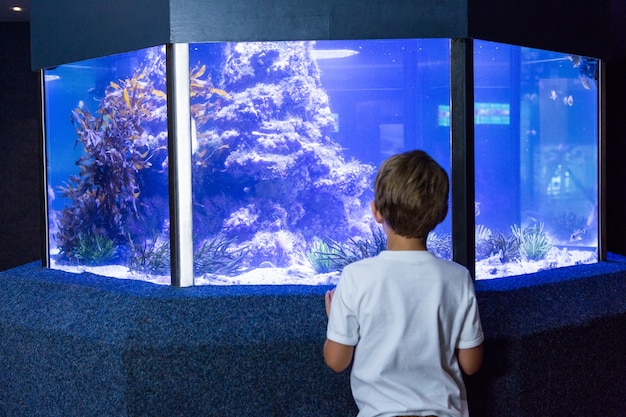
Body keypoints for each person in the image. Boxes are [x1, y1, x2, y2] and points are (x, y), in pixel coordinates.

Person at [324, 150, 484, 417]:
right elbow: (471, 364)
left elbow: (336, 361)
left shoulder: (355, 276)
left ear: (375, 211)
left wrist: (337, 320)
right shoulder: (457, 277)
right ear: (441, 213)